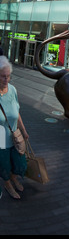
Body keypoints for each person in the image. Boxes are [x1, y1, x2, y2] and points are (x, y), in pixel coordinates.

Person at [0, 56, 29, 199]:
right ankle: (8, 184)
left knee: (19, 162)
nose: (6, 80)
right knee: (4, 163)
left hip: (14, 133)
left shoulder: (12, 90)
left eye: (8, 76)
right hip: (0, 137)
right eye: (3, 76)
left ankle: (13, 177)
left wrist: (23, 130)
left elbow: (17, 112)